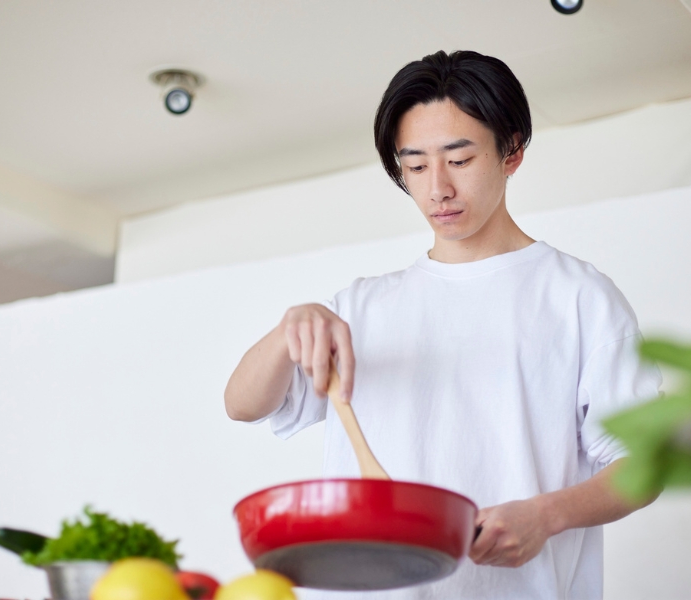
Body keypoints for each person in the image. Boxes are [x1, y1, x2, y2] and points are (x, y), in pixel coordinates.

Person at [224, 50, 661, 599]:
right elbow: (242, 404)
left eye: (459, 159)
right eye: (415, 165)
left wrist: (545, 516)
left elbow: (644, 462)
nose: (437, 189)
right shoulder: (359, 307)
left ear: (512, 152)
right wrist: (291, 327)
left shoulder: (580, 298)